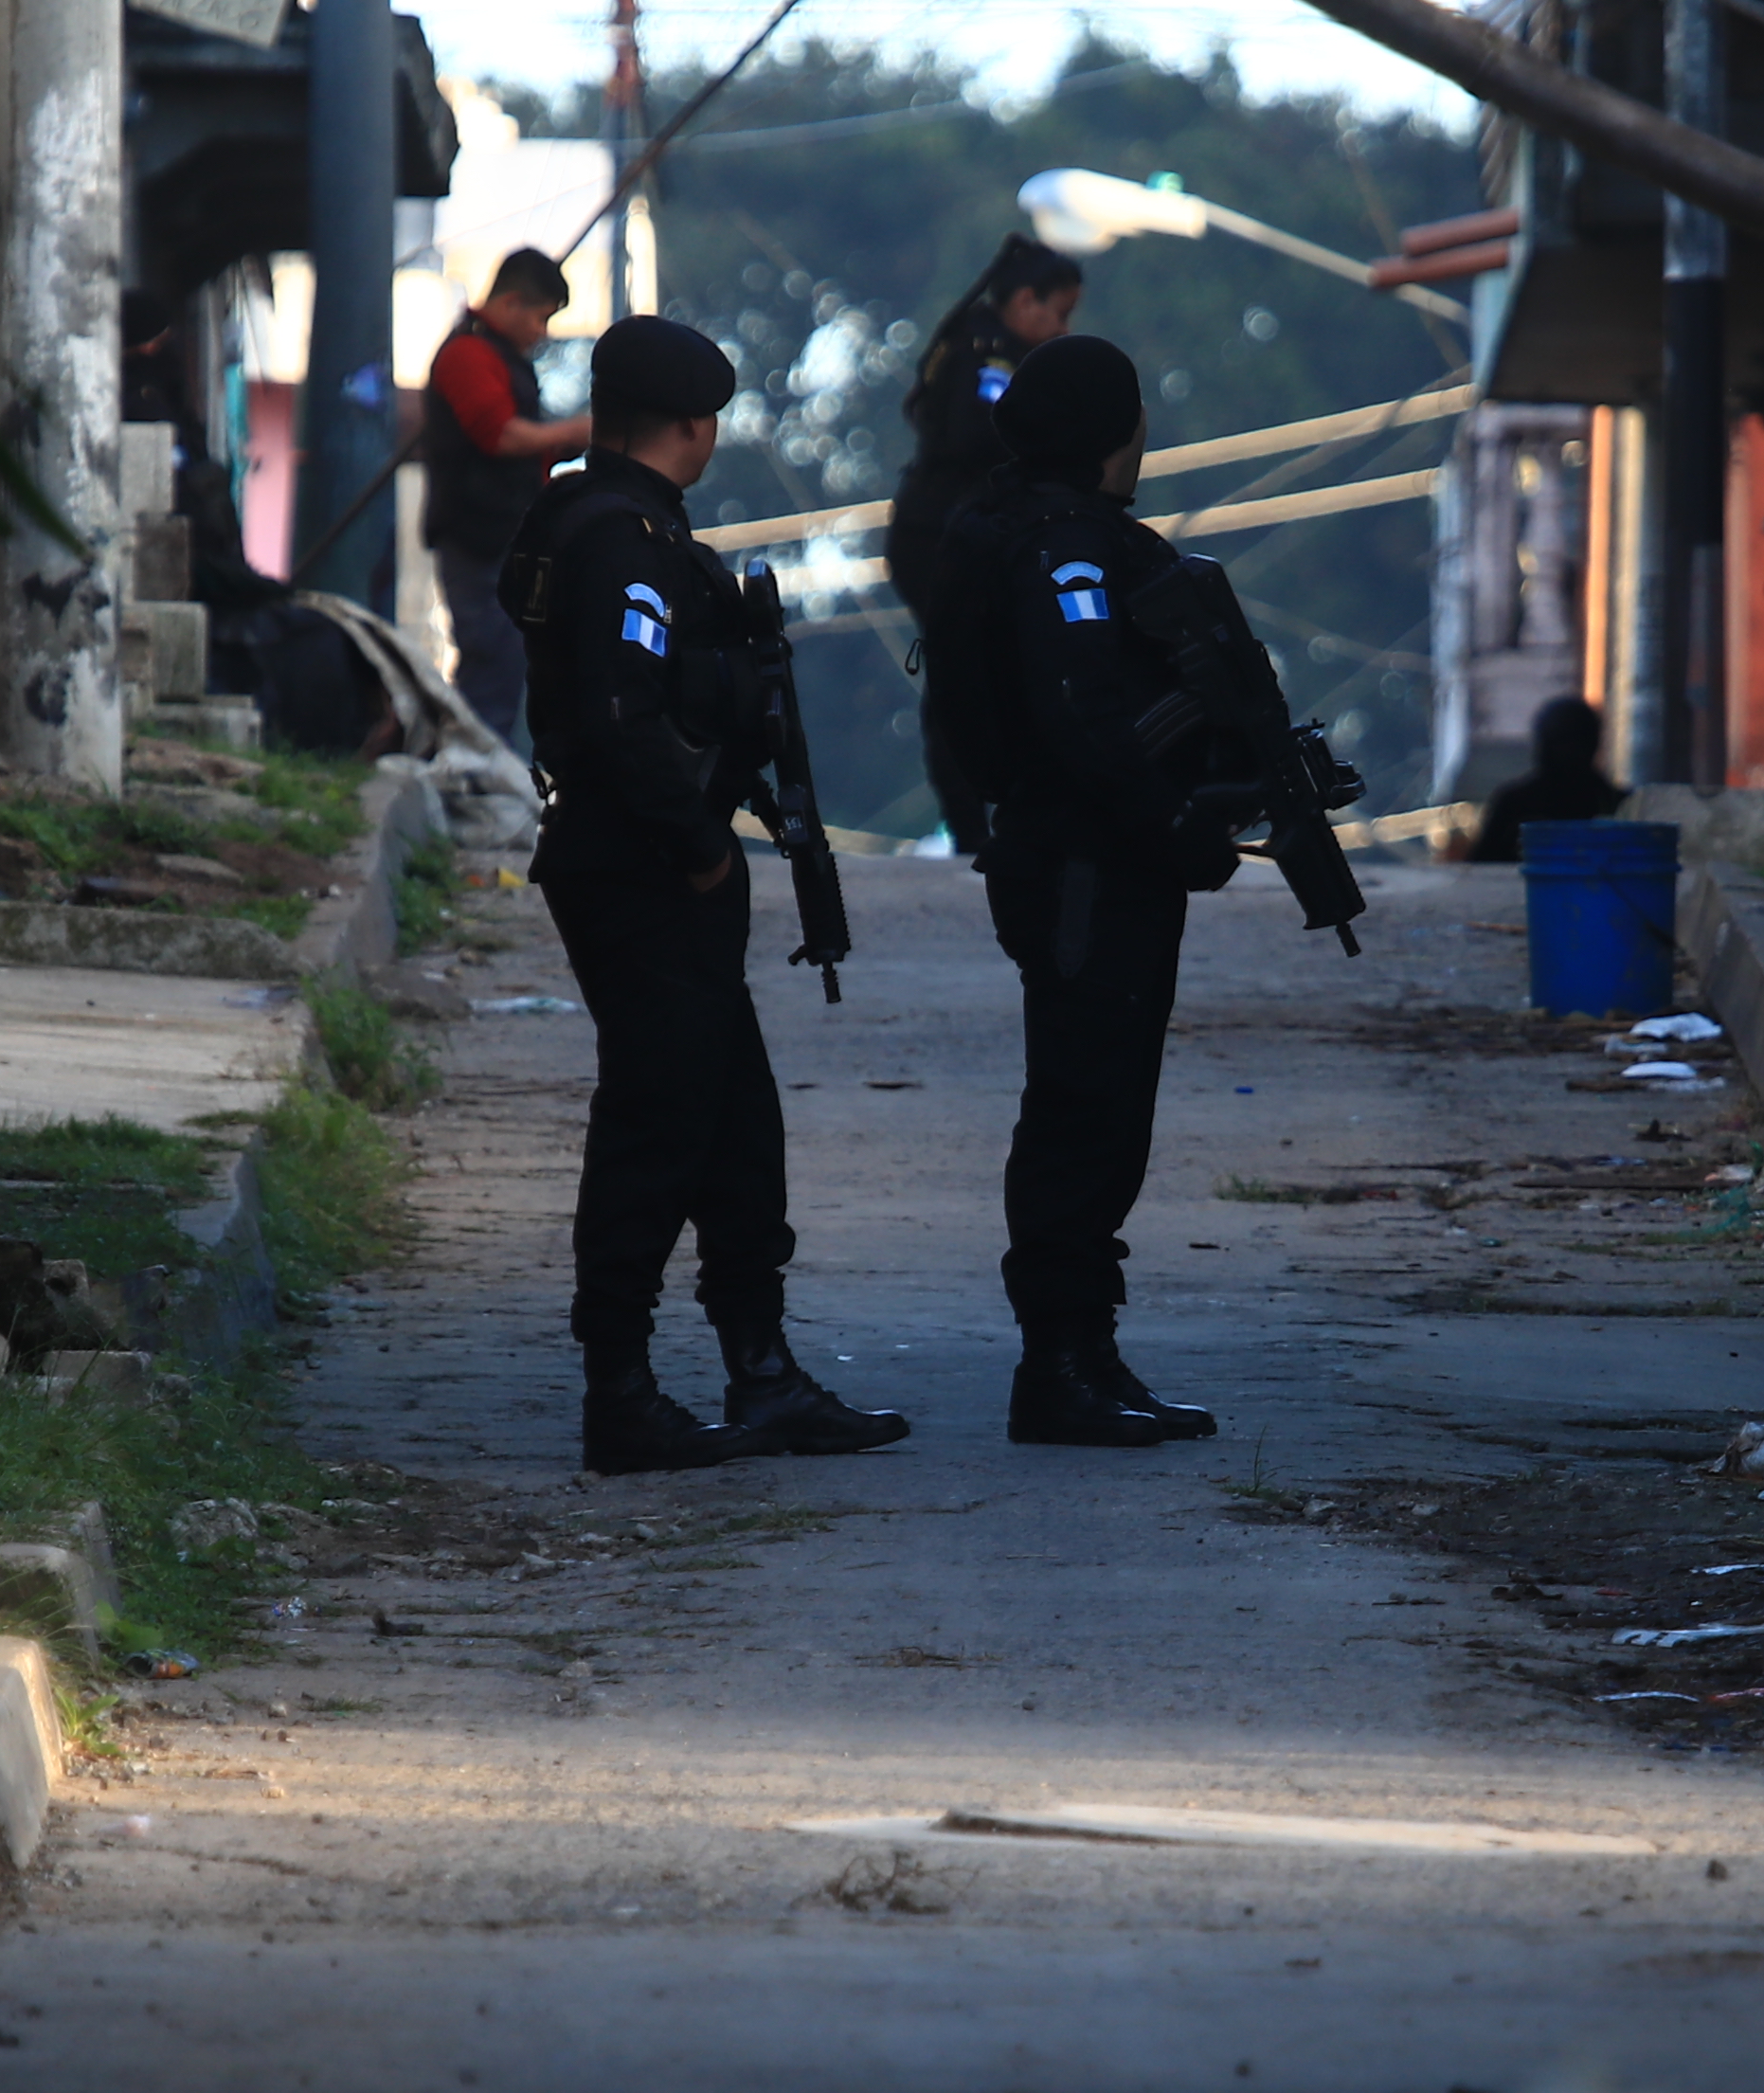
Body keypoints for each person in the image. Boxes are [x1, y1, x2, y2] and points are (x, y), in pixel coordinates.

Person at [503, 313, 909, 1475]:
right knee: (655, 1127)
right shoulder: (621, 540)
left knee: (735, 1127)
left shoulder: (606, 521)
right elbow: (626, 718)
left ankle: (762, 1374)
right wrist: (699, 845)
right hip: (638, 868)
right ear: (696, 424)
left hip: (641, 862)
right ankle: (619, 1394)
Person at [926, 331, 1236, 1452]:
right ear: (1115, 432)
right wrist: (1171, 825)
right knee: (1081, 1109)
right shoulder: (1062, 548)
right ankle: (1056, 1364)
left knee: (1104, 1110)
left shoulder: (1023, 527)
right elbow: (1084, 721)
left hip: (1081, 858)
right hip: (1085, 867)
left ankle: (1087, 1353)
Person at [889, 236, 1085, 833]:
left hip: (963, 535)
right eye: (1058, 313)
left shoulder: (982, 346)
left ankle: (996, 813)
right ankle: (968, 822)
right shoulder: (989, 355)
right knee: (960, 673)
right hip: (938, 536)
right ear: (1026, 301)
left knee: (994, 669)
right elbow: (978, 436)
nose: (1058, 329)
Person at [420, 247, 593, 748]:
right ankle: (467, 772)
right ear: (513, 303)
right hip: (477, 537)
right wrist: (569, 431)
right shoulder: (469, 355)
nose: (542, 333)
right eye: (540, 318)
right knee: (489, 661)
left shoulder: (499, 358)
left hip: (504, 536)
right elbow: (499, 436)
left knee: (504, 663)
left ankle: (474, 766)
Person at [1456, 694, 1628, 862]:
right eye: (1561, 741)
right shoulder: (1619, 806)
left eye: (1573, 741)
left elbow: (1480, 871)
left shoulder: (1514, 804)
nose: (1568, 751)